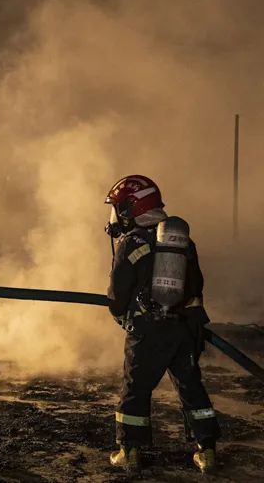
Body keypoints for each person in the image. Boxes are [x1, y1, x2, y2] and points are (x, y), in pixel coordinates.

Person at [104, 175, 220, 473]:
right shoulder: (182, 241)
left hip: (148, 330)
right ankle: (206, 452)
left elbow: (119, 290)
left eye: (118, 207)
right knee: (190, 385)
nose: (115, 215)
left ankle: (129, 452)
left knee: (136, 388)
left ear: (131, 208)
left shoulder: (132, 242)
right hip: (184, 328)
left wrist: (120, 315)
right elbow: (196, 284)